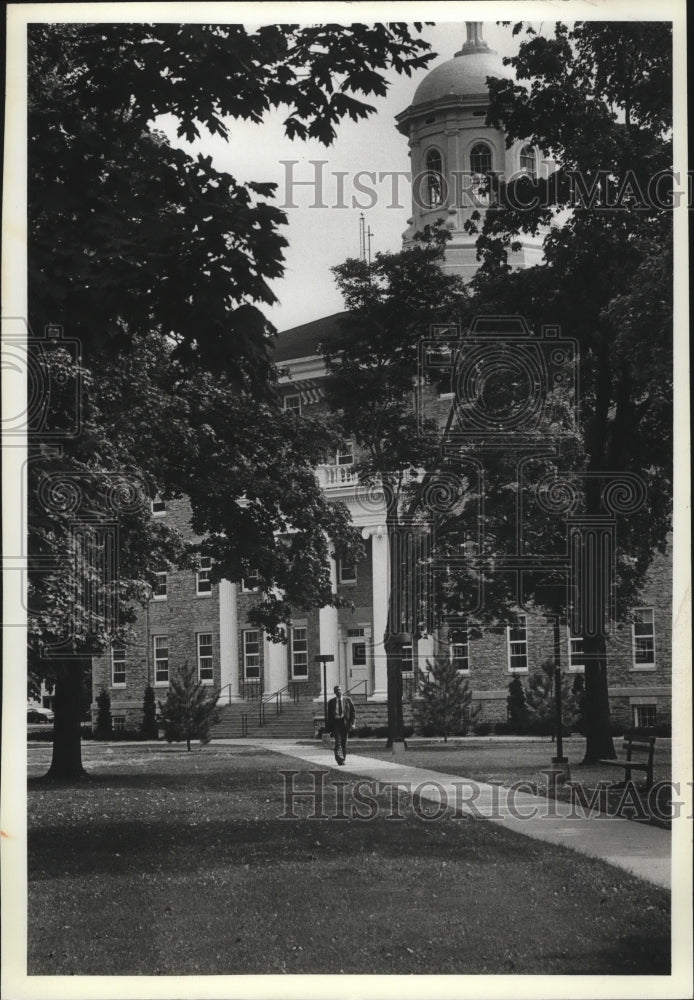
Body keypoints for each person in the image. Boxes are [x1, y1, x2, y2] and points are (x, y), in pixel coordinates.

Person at [326, 684, 356, 765]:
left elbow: (353, 712)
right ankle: (339, 758)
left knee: (344, 742)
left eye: (339, 690)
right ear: (334, 692)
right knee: (338, 741)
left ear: (341, 691)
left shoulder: (348, 700)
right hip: (336, 723)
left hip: (345, 723)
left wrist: (353, 723)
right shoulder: (331, 702)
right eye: (337, 691)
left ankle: (343, 759)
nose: (338, 692)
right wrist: (328, 729)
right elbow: (329, 716)